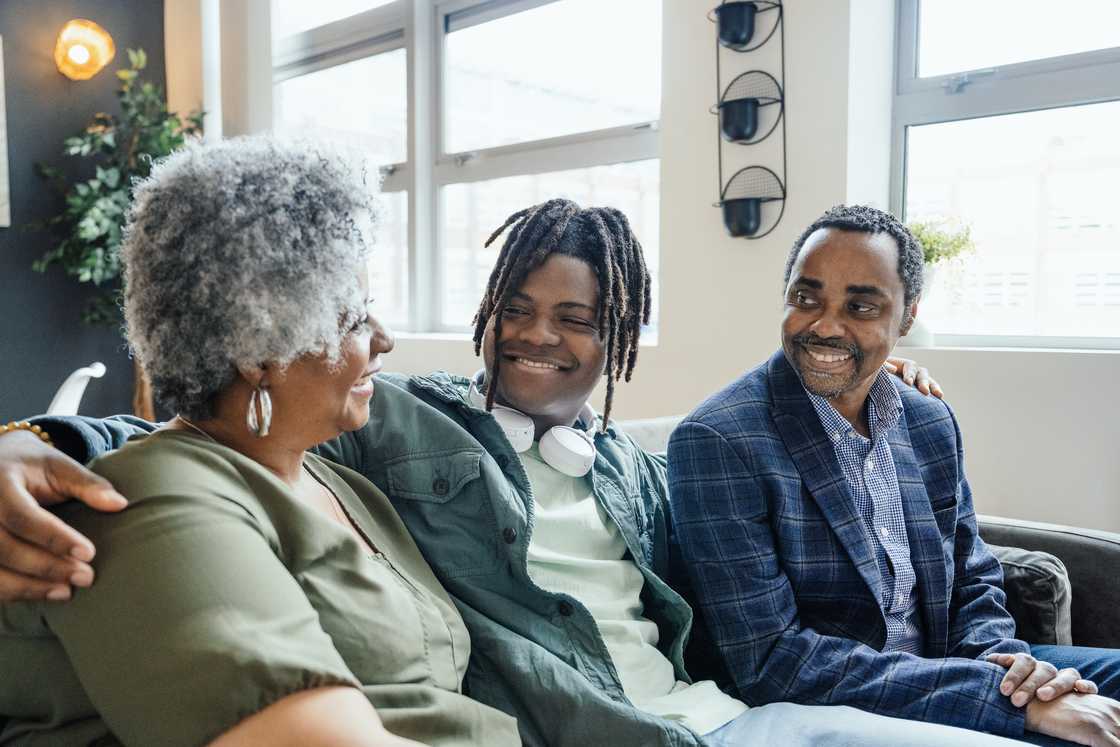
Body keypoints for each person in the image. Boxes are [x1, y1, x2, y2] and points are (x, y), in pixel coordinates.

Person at [0, 195, 1021, 747]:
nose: (537, 339)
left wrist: (872, 388)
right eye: (517, 309)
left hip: (723, 717)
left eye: (575, 319)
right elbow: (212, 429)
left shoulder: (639, 466)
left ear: (616, 336)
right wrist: (29, 441)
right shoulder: (399, 416)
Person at [0, 137, 521, 746]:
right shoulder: (156, 503)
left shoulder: (333, 475)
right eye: (352, 318)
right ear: (257, 352)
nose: (383, 340)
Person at [667, 204, 1120, 747]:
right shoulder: (718, 440)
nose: (824, 325)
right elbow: (771, 661)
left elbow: (970, 573)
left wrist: (1011, 672)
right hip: (847, 704)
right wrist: (992, 700)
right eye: (806, 298)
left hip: (956, 669)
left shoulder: (927, 418)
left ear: (906, 317)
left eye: (861, 305)